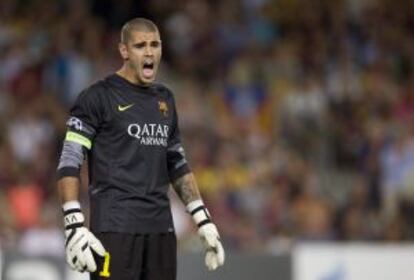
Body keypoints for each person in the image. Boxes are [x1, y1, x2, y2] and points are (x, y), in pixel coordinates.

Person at [56, 17, 224, 280]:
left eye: (155, 44)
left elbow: (177, 164)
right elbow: (69, 159)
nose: (149, 52)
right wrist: (73, 222)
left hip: (161, 230)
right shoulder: (97, 97)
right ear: (124, 50)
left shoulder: (165, 99)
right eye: (140, 45)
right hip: (114, 229)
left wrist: (202, 219)